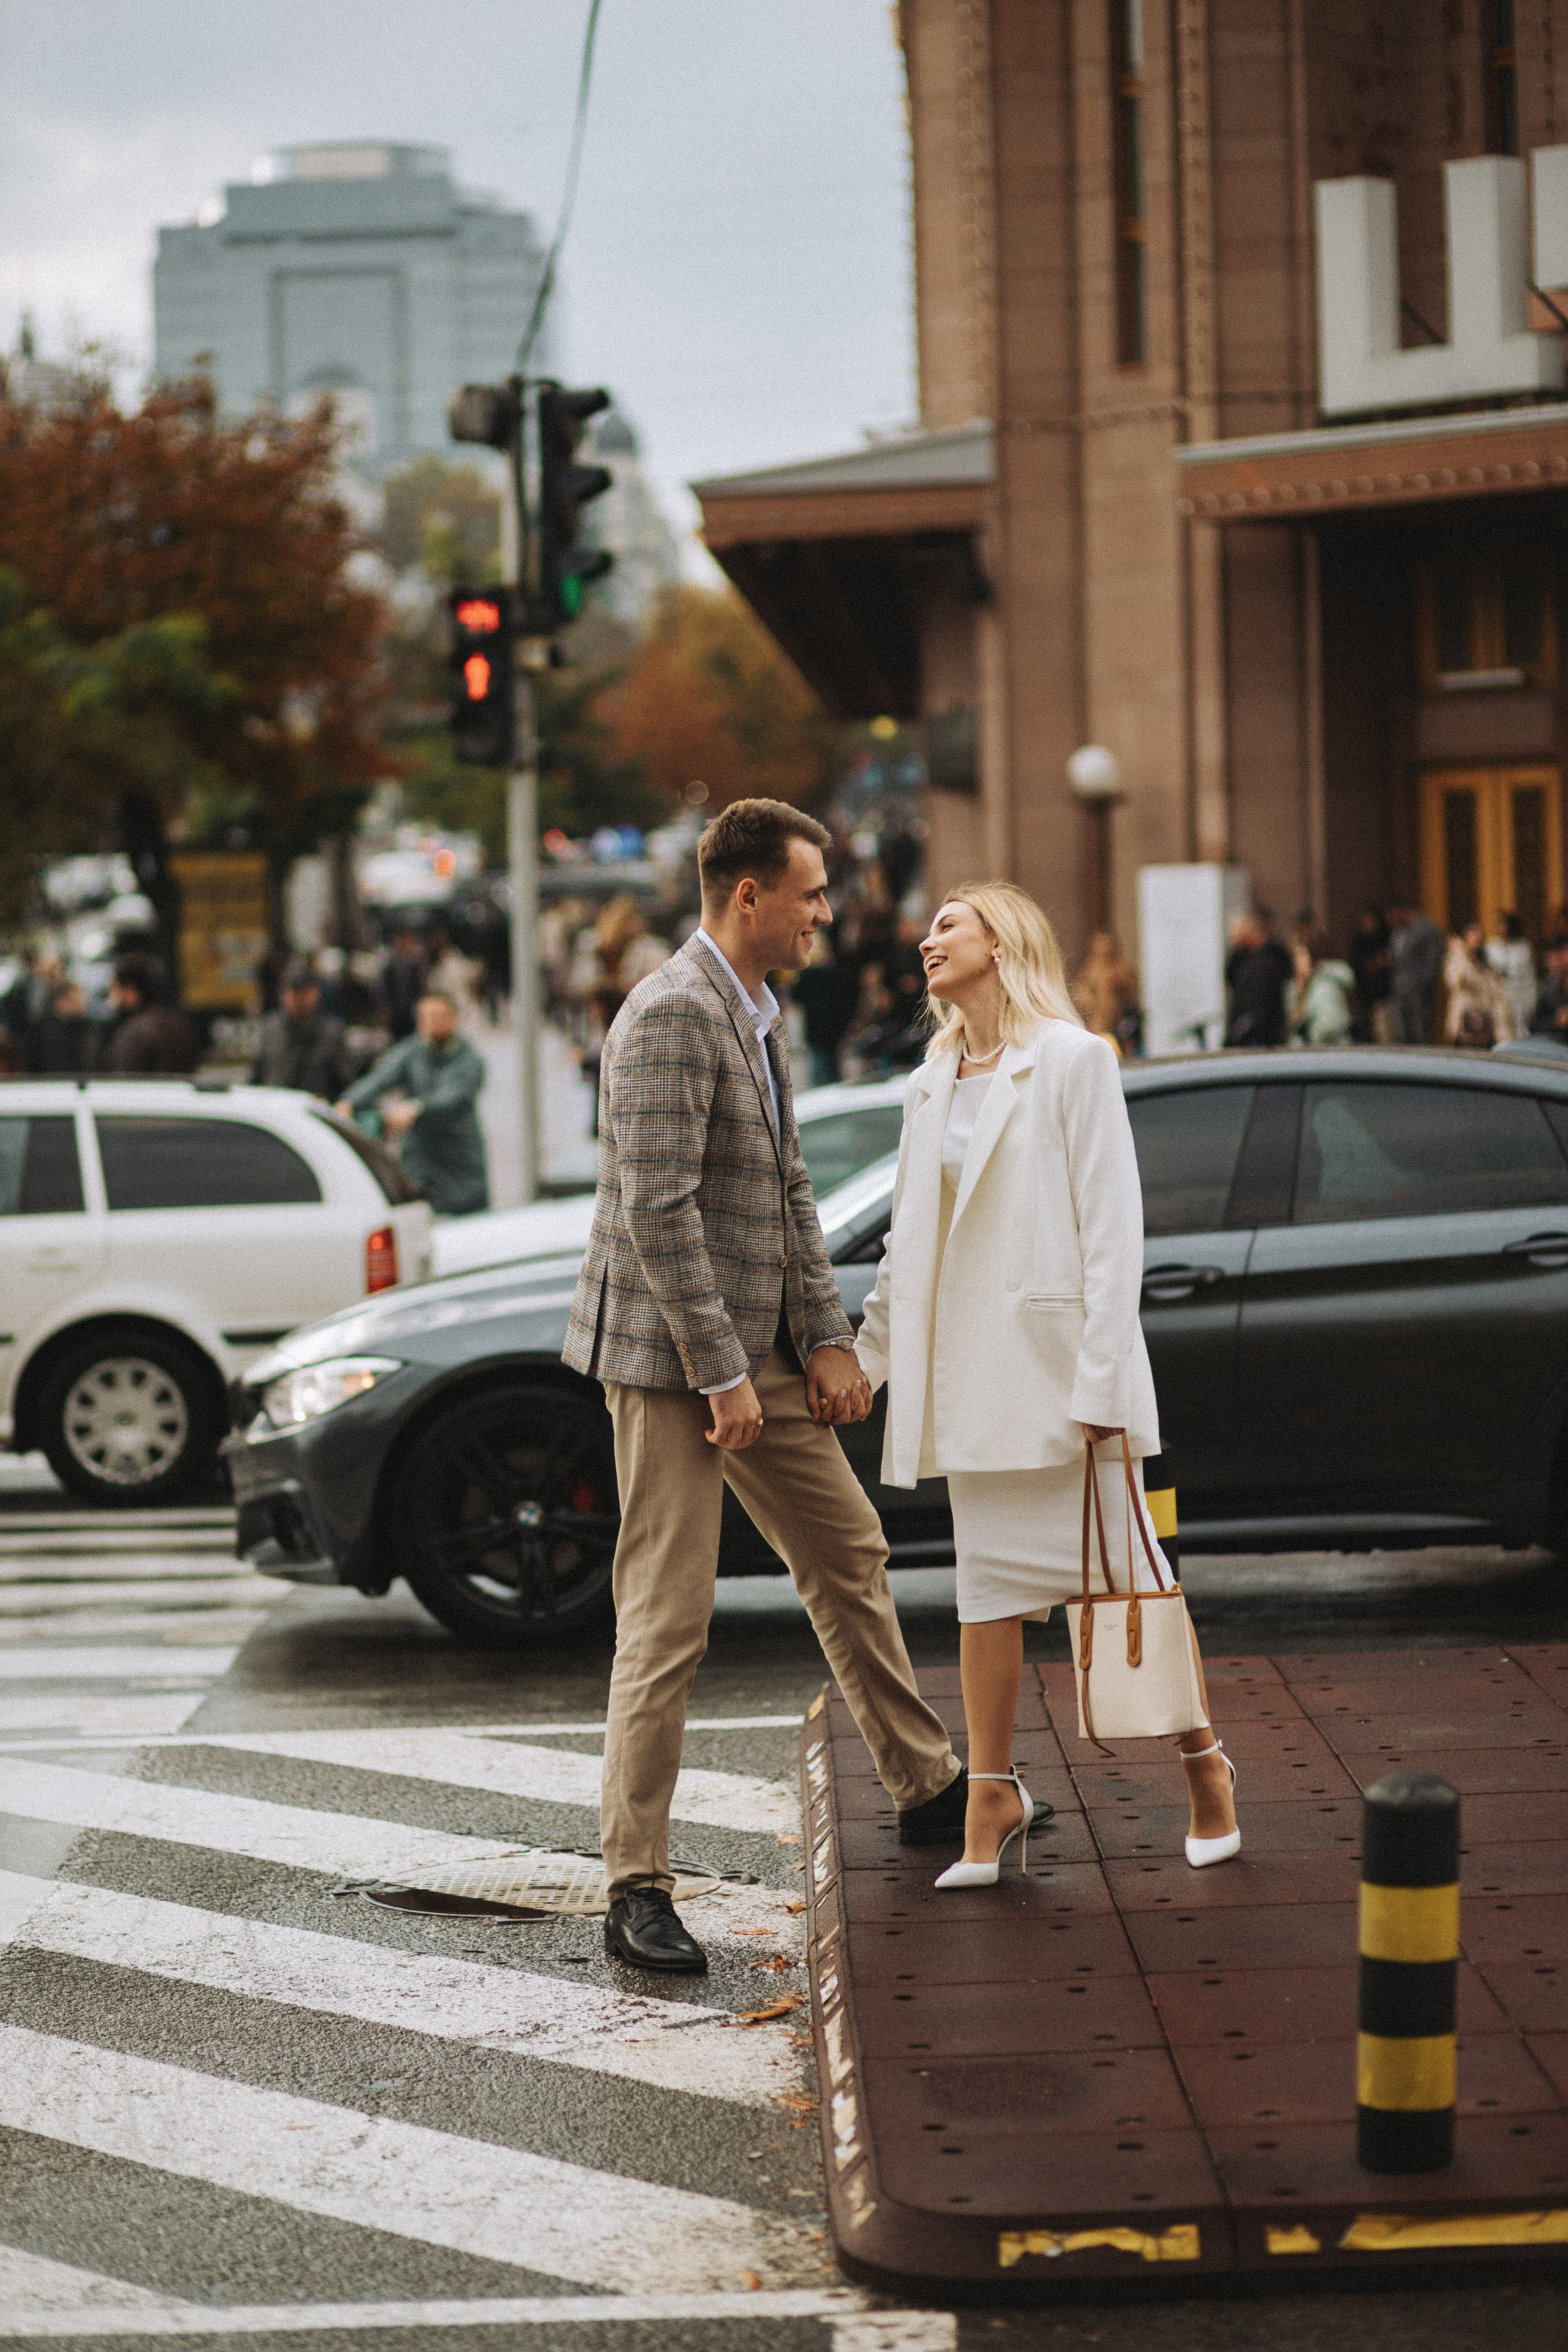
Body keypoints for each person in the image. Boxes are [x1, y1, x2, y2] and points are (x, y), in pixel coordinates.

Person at [563, 797, 968, 1977]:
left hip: (756, 1355)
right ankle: (635, 1884)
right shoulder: (668, 1015)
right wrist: (722, 1373)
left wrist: (826, 1339)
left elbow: (787, 1191)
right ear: (750, 896)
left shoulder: (758, 1015)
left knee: (849, 1550)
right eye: (811, 893)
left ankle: (925, 1784)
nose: (826, 914)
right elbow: (658, 1212)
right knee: (667, 1618)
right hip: (669, 1362)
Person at [855, 882, 1238, 1885]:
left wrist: (1104, 1382)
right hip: (970, 1380)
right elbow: (906, 1244)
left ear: (1003, 941)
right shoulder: (932, 1077)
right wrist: (867, 1362)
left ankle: (1205, 1768)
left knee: (1129, 1584)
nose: (928, 938)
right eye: (929, 926)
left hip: (1063, 1379)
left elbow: (1115, 1231)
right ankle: (989, 1804)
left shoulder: (1073, 1060)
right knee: (984, 1597)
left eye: (949, 922)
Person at [338, 992, 488, 1215]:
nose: (431, 1023)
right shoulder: (411, 1052)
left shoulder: (470, 1060)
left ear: (454, 1019)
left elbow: (452, 1097)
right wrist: (348, 1102)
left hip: (459, 1156)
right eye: (425, 1017)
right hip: (420, 1158)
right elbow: (380, 1079)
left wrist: (417, 1108)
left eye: (438, 1016)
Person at [252, 960, 356, 1098]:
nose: (298, 1000)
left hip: (314, 1110)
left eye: (304, 993)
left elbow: (346, 1081)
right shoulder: (270, 1029)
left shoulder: (331, 1032)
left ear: (316, 994)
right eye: (293, 993)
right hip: (275, 1110)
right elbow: (258, 1076)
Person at [104, 953, 197, 1073]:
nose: (111, 996)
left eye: (114, 988)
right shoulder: (180, 1024)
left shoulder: (134, 1033)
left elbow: (126, 1086)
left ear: (130, 993)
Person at [793, 929, 861, 1088]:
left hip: (818, 1031)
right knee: (834, 1070)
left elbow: (796, 996)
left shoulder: (810, 974)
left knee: (820, 1074)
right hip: (835, 1030)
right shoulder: (840, 973)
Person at [1223, 913, 1292, 1047]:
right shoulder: (1244, 959)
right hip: (1253, 1033)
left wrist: (1240, 1033)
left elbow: (1259, 1007)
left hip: (1258, 1038)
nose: (1233, 938)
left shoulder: (1264, 964)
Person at [1444, 921, 1513, 1049]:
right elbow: (1456, 981)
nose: (1476, 939)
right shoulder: (1457, 960)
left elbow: (1496, 998)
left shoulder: (1486, 964)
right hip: (1465, 1025)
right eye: (1472, 935)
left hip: (1486, 1026)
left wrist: (1504, 1034)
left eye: (1478, 936)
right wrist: (1461, 953)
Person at [1071, 929, 1138, 1049]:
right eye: (1101, 944)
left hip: (1120, 1024)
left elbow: (1130, 991)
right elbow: (1081, 998)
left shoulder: (1121, 967)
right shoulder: (1090, 970)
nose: (1105, 948)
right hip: (1098, 1024)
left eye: (1108, 943)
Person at [1287, 935, 1357, 1046]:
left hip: (1327, 1052)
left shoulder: (1323, 988)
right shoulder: (1294, 991)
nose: (1298, 961)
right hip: (1305, 1054)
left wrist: (1309, 1042)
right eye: (1296, 956)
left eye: (1303, 955)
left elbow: (1329, 1027)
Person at [1390, 907, 1444, 1044]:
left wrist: (1423, 982)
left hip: (1418, 988)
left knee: (1420, 1030)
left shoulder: (1427, 929)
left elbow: (1433, 959)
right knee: (1402, 1031)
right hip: (1400, 988)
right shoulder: (1398, 932)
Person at [27, 978, 94, 1074]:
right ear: (61, 1000)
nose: (83, 1003)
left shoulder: (86, 1027)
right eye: (77, 998)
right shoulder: (42, 1032)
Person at [1348, 907, 1395, 1043]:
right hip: (1366, 993)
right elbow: (1357, 964)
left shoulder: (1385, 937)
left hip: (1384, 992)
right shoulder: (1359, 940)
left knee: (1385, 1031)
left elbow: (1389, 958)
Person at [1487, 913, 1537, 1041]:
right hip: (1498, 998)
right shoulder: (1491, 947)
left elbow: (1529, 978)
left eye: (1503, 924)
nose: (1500, 928)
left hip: (1520, 997)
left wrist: (1531, 1001)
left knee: (1520, 1032)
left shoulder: (1523, 948)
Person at [379, 925, 428, 1042]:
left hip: (411, 1010)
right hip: (395, 1011)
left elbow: (421, 988)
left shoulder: (415, 965)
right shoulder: (390, 966)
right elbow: (384, 988)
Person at [1531, 936, 1568, 1039]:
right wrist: (1556, 1022)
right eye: (1563, 952)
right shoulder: (1548, 988)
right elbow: (1534, 1025)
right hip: (1556, 1048)